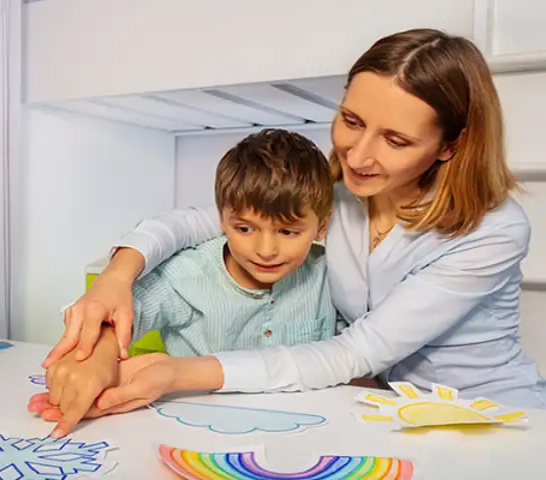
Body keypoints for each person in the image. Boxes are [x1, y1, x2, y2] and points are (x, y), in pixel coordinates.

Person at [36, 27, 546, 435]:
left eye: (394, 139)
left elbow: (357, 351)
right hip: (390, 414)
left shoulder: (493, 230)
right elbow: (200, 220)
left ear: (449, 146)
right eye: (350, 119)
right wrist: (118, 276)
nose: (358, 154)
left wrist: (176, 372)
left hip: (491, 417)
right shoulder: (338, 192)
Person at [30, 128, 341, 436]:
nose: (265, 250)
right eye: (245, 229)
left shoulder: (330, 276)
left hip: (308, 432)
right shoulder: (189, 274)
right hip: (194, 431)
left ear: (321, 227)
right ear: (221, 220)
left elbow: (352, 358)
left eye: (287, 232)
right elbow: (122, 312)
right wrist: (98, 358)